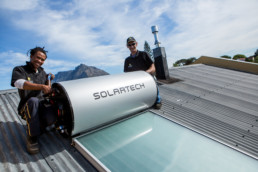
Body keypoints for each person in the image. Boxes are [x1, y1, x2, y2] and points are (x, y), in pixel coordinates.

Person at [11, 46, 56, 154]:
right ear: (31, 56)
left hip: (42, 106)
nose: (40, 61)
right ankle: (32, 138)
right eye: (38, 58)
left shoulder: (43, 73)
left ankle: (39, 125)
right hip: (27, 107)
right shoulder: (20, 70)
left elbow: (47, 91)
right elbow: (18, 83)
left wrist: (49, 79)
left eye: (42, 60)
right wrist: (41, 86)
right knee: (33, 101)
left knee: (54, 112)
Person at [124, 36, 162, 109]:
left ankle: (158, 101)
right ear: (127, 46)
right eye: (129, 45)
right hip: (136, 82)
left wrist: (145, 73)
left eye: (133, 44)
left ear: (136, 44)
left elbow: (153, 68)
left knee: (154, 82)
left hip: (147, 79)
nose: (131, 46)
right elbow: (126, 74)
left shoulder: (144, 54)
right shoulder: (127, 60)